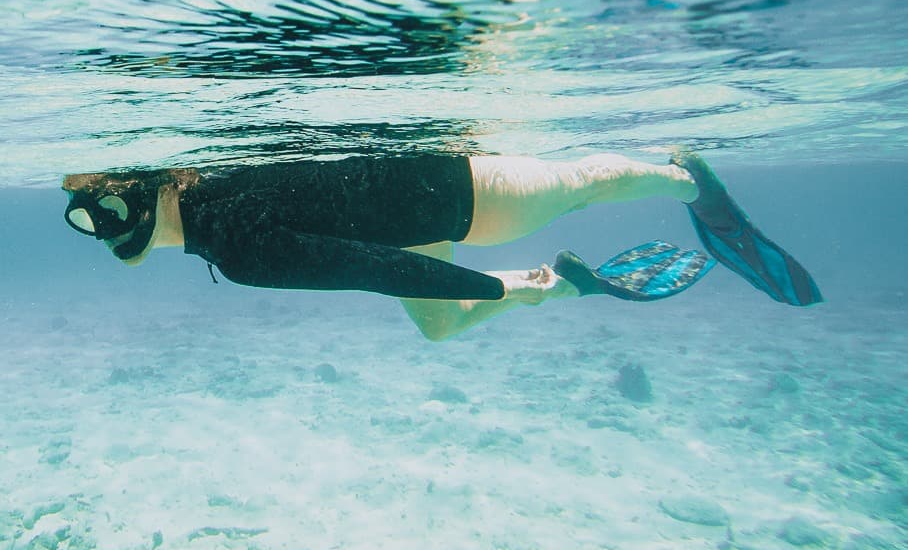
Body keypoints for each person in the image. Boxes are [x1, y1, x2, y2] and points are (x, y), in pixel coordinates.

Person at [62, 151, 821, 340]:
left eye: (95, 210)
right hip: (419, 210)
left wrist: (489, 284)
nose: (95, 229)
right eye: (84, 220)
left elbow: (364, 267)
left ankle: (687, 180)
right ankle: (561, 281)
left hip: (454, 195)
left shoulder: (232, 244)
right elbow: (359, 250)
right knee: (443, 326)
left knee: (581, 182)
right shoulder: (211, 214)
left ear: (148, 187)